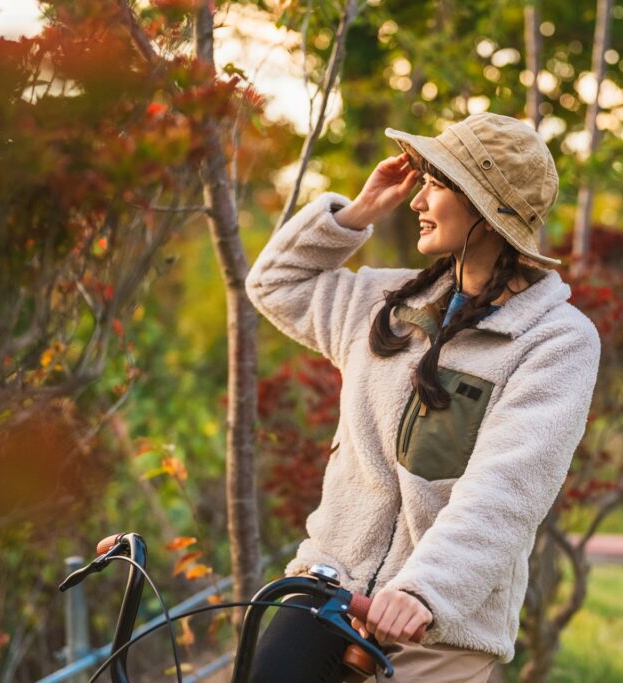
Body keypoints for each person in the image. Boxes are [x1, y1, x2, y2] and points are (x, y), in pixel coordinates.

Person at [245, 113, 601, 682]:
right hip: (324, 587)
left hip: (438, 626)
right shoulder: (382, 302)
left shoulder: (555, 340)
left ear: (484, 207)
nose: (417, 200)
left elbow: (508, 487)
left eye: (436, 185)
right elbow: (274, 284)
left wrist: (424, 592)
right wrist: (354, 214)